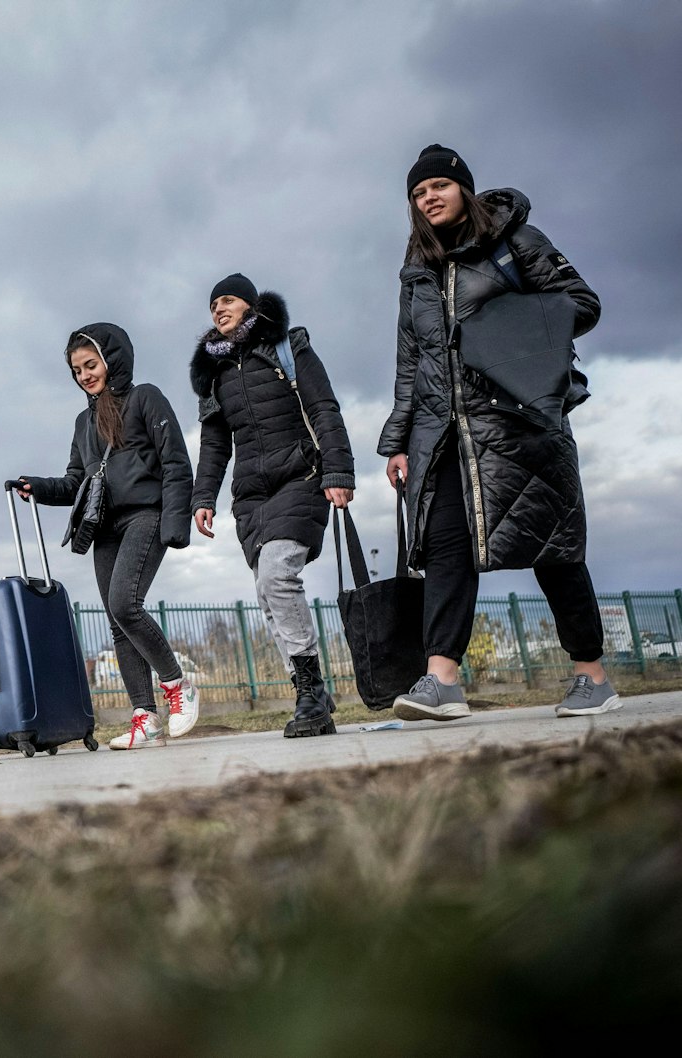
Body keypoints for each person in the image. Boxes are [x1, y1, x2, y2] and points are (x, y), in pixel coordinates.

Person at [379, 144, 617, 721]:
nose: (429, 197)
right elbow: (411, 363)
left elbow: (581, 304)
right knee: (444, 550)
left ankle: (592, 676)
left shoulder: (517, 243)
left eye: (439, 185)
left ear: (465, 188)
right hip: (441, 435)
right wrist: (397, 440)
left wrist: (493, 333)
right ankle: (442, 681)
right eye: (418, 192)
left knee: (551, 547)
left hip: (519, 423)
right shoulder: (416, 274)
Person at [12, 323, 199, 749]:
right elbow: (76, 481)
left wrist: (175, 521)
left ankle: (177, 686)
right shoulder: (84, 422)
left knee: (124, 604)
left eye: (90, 365)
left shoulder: (146, 398)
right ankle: (144, 716)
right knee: (118, 623)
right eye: (77, 370)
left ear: (112, 360)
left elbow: (175, 461)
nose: (84, 375)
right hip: (105, 527)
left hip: (146, 516)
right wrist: (38, 487)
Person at [189, 274, 356, 737]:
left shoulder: (287, 345)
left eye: (227, 301)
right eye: (212, 306)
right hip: (252, 494)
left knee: (279, 574)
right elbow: (215, 443)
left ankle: (309, 693)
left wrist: (339, 472)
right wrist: (204, 497)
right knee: (267, 589)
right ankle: (312, 693)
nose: (218, 310)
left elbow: (324, 407)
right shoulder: (214, 373)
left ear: (250, 304)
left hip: (301, 476)